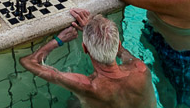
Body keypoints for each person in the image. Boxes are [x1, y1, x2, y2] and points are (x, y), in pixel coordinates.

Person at [20, 10, 156, 108]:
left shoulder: (88, 86)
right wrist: (94, 30)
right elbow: (120, 51)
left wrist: (58, 40)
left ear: (85, 48)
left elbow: (28, 62)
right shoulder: (140, 69)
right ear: (118, 43)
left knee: (73, 102)